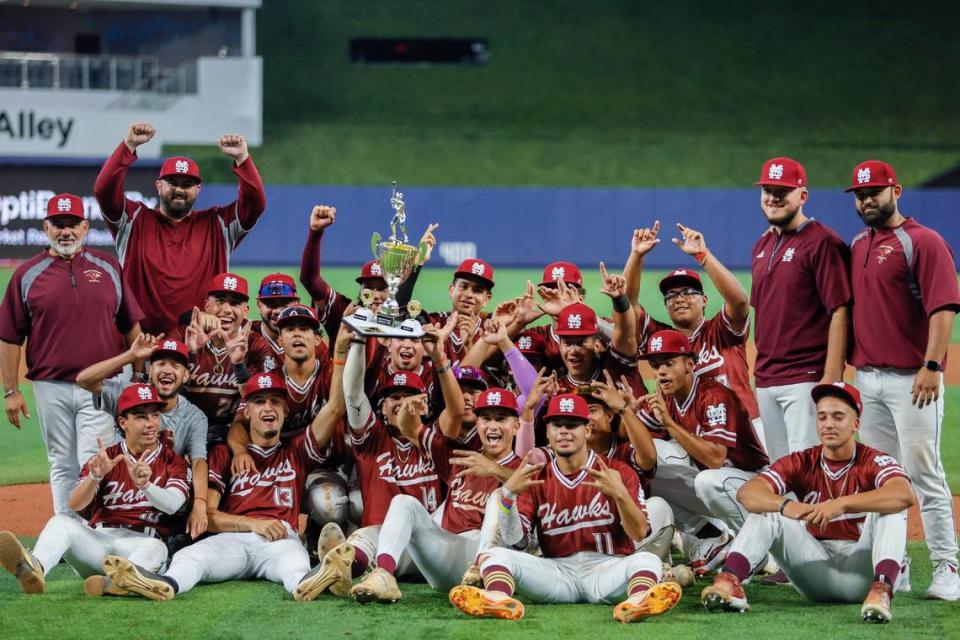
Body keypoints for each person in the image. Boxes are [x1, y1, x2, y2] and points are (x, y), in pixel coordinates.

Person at [102, 368, 348, 602]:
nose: (268, 408)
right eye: (259, 402)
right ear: (247, 412)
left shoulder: (296, 450)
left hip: (279, 539)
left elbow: (335, 407)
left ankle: (309, 582)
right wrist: (253, 524)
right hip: (233, 538)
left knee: (295, 566)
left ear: (285, 410)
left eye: (275, 401)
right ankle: (165, 585)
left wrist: (340, 354)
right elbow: (207, 516)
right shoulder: (224, 454)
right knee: (189, 556)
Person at [449, 393, 681, 623]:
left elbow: (639, 533)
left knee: (647, 560)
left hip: (607, 568)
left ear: (587, 429)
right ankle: (497, 598)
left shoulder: (618, 471)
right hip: (557, 573)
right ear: (547, 432)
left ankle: (638, 601)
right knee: (495, 554)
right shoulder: (537, 478)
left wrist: (620, 495)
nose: (563, 432)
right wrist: (508, 496)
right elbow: (516, 542)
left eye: (572, 425)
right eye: (557, 425)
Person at [700, 382, 916, 624]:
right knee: (768, 509)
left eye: (838, 417)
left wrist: (843, 504)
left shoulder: (873, 460)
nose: (829, 424)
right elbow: (748, 493)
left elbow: (904, 494)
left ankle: (882, 591)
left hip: (862, 574)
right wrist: (786, 506)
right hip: (814, 572)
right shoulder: (802, 461)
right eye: (822, 417)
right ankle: (730, 582)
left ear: (855, 424)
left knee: (892, 511)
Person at [846, 159, 960, 600]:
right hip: (868, 381)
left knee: (923, 473)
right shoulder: (858, 244)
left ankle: (948, 566)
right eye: (860, 194)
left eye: (875, 191)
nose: (867, 199)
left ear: (897, 190)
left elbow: (944, 307)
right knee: (881, 479)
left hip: (912, 381)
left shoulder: (923, 242)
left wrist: (932, 367)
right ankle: (896, 566)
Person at [0, 193, 143, 516]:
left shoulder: (107, 267)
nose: (66, 232)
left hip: (102, 386)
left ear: (85, 226)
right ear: (46, 227)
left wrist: (137, 377)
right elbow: (9, 337)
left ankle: (98, 527)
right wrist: (11, 391)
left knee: (95, 458)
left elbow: (131, 328)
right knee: (61, 462)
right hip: (50, 386)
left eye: (73, 224)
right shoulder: (26, 275)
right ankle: (66, 531)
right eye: (58, 225)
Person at [0, 384, 189, 596]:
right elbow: (75, 504)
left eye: (155, 415)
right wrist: (94, 477)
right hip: (99, 542)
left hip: (142, 544)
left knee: (157, 547)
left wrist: (146, 486)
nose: (151, 423)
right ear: (123, 422)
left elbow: (173, 505)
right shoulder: (104, 458)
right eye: (141, 417)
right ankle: (34, 568)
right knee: (61, 522)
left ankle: (119, 582)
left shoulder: (175, 462)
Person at [347, 387, 523, 603]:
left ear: (516, 426)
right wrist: (406, 409)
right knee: (403, 503)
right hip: (449, 553)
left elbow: (527, 491)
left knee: (500, 496)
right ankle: (384, 575)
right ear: (478, 424)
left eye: (502, 419)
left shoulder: (526, 468)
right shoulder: (459, 457)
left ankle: (482, 573)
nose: (493, 426)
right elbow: (412, 430)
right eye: (486, 419)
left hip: (493, 559)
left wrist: (494, 470)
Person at [93, 121, 267, 335]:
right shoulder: (133, 219)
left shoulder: (217, 224)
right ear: (159, 186)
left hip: (199, 351)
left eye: (187, 184)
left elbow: (255, 203)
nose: (179, 190)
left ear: (198, 189)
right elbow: (104, 190)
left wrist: (242, 159)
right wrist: (127, 146)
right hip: (139, 351)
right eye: (172, 182)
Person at [340, 314, 466, 579]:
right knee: (363, 537)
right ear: (382, 408)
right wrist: (360, 339)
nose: (400, 403)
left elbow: (456, 412)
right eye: (393, 397)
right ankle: (340, 570)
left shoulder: (434, 440)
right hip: (383, 543)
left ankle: (358, 568)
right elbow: (352, 394)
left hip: (430, 550)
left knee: (404, 510)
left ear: (424, 405)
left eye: (410, 397)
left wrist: (440, 359)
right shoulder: (372, 440)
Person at [637, 329, 769, 574]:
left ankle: (752, 551)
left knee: (707, 480)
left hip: (753, 485)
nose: (661, 372)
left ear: (689, 364)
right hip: (720, 489)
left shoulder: (714, 395)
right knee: (649, 476)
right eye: (656, 366)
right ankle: (713, 540)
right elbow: (629, 436)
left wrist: (668, 424)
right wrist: (624, 411)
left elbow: (715, 458)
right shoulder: (667, 397)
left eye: (668, 363)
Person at [750, 157, 852, 461]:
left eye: (782, 191)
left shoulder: (823, 243)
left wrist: (832, 376)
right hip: (767, 377)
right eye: (768, 190)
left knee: (809, 468)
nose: (773, 198)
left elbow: (840, 309)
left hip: (806, 376)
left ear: (802, 196)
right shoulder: (761, 245)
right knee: (782, 471)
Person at [624, 221, 760, 429]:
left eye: (688, 293)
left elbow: (740, 301)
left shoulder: (722, 330)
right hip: (692, 435)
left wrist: (703, 255)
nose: (679, 299)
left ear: (704, 300)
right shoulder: (659, 339)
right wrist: (636, 256)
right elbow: (627, 304)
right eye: (671, 295)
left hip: (744, 427)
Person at [77, 335, 210, 539]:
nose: (166, 370)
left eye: (175, 365)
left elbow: (199, 461)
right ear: (150, 370)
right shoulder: (127, 394)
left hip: (159, 493)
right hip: (119, 488)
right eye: (160, 364)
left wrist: (200, 502)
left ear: (185, 376)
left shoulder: (194, 416)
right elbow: (84, 380)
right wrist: (130, 356)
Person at [179, 273, 271, 444]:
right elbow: (163, 394)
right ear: (206, 305)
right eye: (220, 301)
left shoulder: (256, 345)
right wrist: (190, 354)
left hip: (233, 434)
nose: (227, 310)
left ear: (246, 311)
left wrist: (238, 365)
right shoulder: (184, 334)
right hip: (183, 429)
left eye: (235, 303)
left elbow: (261, 403)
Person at [249, 272, 302, 371]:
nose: (277, 311)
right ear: (259, 305)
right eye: (270, 304)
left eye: (284, 304)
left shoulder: (308, 341)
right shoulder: (246, 334)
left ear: (296, 304)